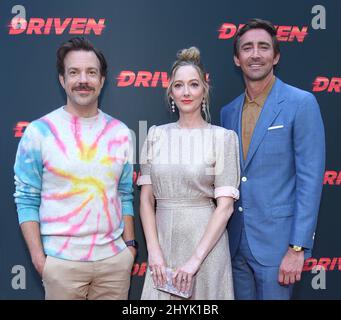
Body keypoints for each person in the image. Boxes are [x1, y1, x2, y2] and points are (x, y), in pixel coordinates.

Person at [14, 37, 137, 300]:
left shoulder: (122, 133)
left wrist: (129, 247)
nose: (83, 79)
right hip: (61, 265)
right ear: (62, 80)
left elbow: (125, 194)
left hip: (115, 265)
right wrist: (40, 259)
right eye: (74, 72)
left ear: (102, 80)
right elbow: (26, 199)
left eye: (91, 72)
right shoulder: (39, 132)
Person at [220, 18, 325, 300]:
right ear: (236, 58)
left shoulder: (301, 104)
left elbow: (310, 181)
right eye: (247, 48)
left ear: (276, 56)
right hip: (235, 245)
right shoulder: (228, 112)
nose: (255, 54)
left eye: (264, 47)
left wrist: (297, 247)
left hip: (279, 249)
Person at [138, 47, 240, 299]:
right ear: (170, 92)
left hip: (205, 249)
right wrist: (154, 251)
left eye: (193, 85)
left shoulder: (223, 138)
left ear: (204, 90)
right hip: (161, 245)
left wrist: (194, 261)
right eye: (179, 85)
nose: (186, 92)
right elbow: (145, 200)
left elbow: (225, 207)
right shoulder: (154, 135)